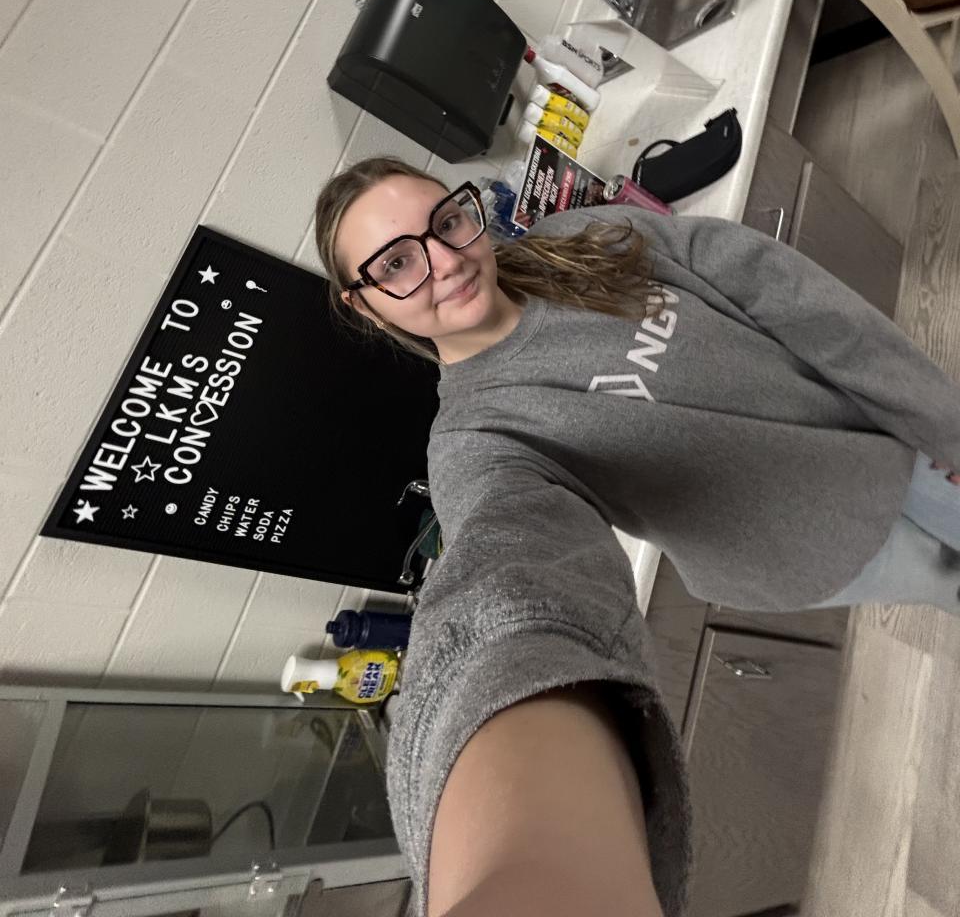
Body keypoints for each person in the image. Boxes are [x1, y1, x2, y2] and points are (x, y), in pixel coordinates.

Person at [313, 156, 960, 917]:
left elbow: (779, 288)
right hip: (823, 538)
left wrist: (933, 419)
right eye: (397, 263)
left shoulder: (577, 241)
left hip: (883, 426)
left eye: (448, 222)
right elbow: (507, 569)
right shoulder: (477, 440)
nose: (446, 261)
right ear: (365, 306)